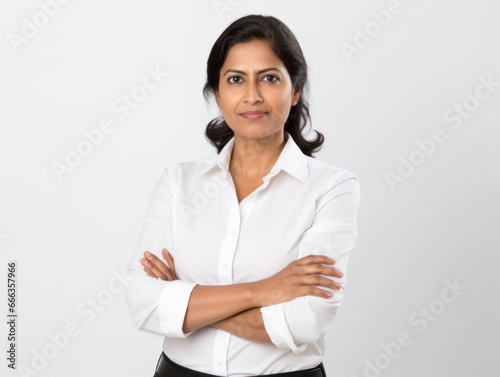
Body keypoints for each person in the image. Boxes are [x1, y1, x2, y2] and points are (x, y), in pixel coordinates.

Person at [125, 14, 361, 377]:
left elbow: (306, 320)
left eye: (269, 78)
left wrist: (182, 298)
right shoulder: (178, 183)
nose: (252, 95)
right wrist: (264, 290)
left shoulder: (332, 188)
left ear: (295, 90)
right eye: (236, 79)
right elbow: (143, 303)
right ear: (218, 95)